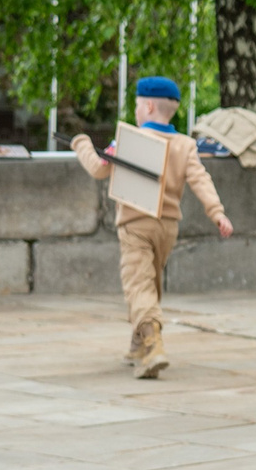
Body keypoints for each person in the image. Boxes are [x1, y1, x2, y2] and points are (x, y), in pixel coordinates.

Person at [70, 76, 233, 380]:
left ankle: (154, 347)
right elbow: (201, 180)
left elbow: (98, 168)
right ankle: (137, 344)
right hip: (168, 228)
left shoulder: (129, 141)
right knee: (150, 282)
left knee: (138, 285)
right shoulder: (185, 145)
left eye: (136, 105)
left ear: (146, 106)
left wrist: (81, 144)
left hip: (136, 225)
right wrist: (217, 213)